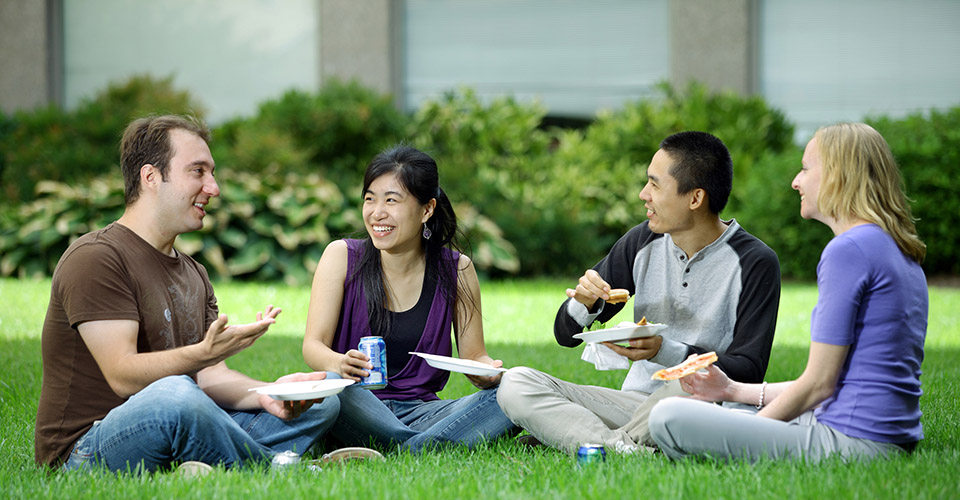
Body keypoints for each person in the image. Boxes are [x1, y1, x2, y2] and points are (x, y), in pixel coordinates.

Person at [34, 115, 344, 473]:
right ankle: (276, 467)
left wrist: (267, 393)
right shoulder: (96, 258)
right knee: (176, 393)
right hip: (88, 448)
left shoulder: (193, 272)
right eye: (197, 172)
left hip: (178, 416)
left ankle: (206, 462)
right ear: (150, 177)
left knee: (323, 399)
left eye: (211, 173)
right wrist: (201, 354)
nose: (213, 188)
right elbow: (122, 374)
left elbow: (212, 377)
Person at [649, 123, 927, 463]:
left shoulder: (849, 251)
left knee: (668, 415)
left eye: (807, 169)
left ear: (839, 175)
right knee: (730, 410)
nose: (797, 180)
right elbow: (835, 381)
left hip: (854, 442)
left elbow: (819, 384)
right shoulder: (894, 248)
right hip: (882, 435)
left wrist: (749, 435)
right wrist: (732, 390)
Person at [496, 131, 781, 454]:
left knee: (685, 388)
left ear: (695, 198)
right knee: (517, 382)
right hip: (634, 404)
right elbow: (566, 333)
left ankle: (583, 438)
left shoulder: (754, 261)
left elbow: (749, 367)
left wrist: (663, 350)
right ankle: (624, 448)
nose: (644, 194)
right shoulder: (642, 241)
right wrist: (583, 303)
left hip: (700, 401)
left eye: (655, 185)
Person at [302, 145, 517, 452]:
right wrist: (340, 362)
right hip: (355, 404)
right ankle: (432, 445)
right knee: (332, 389)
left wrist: (488, 371)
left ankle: (401, 446)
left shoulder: (457, 270)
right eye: (369, 199)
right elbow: (312, 346)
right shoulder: (341, 257)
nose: (377, 213)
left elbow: (474, 356)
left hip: (424, 413)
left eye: (392, 200)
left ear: (427, 209)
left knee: (514, 392)